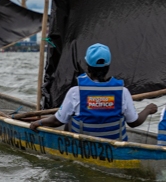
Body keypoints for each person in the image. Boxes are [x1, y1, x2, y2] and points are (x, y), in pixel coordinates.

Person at [28, 43, 157, 140]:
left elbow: (57, 121)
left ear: (87, 66)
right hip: (114, 145)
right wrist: (147, 110)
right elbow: (134, 123)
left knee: (69, 118)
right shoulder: (122, 92)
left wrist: (38, 122)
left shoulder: (75, 92)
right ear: (108, 66)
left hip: (82, 147)